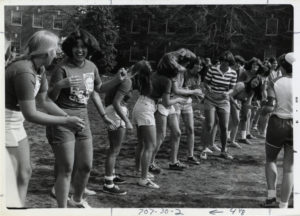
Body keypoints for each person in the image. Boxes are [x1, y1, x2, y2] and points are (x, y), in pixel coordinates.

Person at [5, 30, 84, 208]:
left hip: (16, 123)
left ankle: (16, 207)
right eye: (55, 51)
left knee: (25, 172)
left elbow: (44, 101)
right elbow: (31, 114)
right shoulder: (24, 71)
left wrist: (67, 116)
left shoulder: (39, 69)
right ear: (47, 52)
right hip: (5, 123)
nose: (56, 56)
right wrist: (66, 122)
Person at [46, 29, 124, 208]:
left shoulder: (91, 66)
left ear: (89, 49)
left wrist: (117, 80)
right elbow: (49, 99)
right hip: (63, 120)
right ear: (69, 48)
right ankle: (62, 208)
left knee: (86, 166)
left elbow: (99, 89)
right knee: (66, 168)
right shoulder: (62, 68)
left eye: (83, 47)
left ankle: (77, 200)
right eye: (75, 47)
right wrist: (59, 85)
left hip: (83, 121)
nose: (79, 50)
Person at [149, 48, 197, 173]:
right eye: (187, 62)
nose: (187, 66)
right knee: (161, 135)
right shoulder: (171, 70)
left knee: (177, 132)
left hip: (169, 103)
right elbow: (176, 90)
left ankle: (173, 162)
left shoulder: (175, 68)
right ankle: (150, 162)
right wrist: (193, 92)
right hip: (162, 103)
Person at [262, 53, 294, 208]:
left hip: (277, 124)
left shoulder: (274, 82)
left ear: (282, 66)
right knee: (289, 168)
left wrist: (261, 110)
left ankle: (270, 197)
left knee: (270, 160)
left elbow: (269, 106)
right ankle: (284, 205)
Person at [102, 65, 136, 195]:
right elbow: (116, 102)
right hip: (117, 112)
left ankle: (112, 175)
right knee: (114, 150)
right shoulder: (127, 81)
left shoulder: (121, 79)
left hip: (113, 111)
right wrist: (127, 121)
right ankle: (108, 183)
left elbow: (109, 99)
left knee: (113, 148)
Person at [201, 51, 237, 160]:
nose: (223, 64)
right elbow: (205, 82)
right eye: (222, 61)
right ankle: (204, 149)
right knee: (210, 124)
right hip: (210, 99)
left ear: (230, 62)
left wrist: (228, 92)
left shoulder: (233, 73)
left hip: (223, 100)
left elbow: (232, 88)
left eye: (226, 62)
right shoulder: (212, 69)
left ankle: (224, 151)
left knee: (224, 127)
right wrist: (208, 88)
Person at [228, 75, 263, 148]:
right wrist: (236, 104)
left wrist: (253, 107)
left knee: (239, 119)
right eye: (254, 81)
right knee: (236, 120)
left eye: (257, 84)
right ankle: (231, 140)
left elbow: (247, 104)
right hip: (230, 101)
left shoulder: (252, 92)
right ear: (251, 80)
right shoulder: (241, 85)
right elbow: (230, 96)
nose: (255, 84)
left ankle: (232, 139)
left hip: (238, 103)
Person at [238, 57, 264, 145]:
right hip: (240, 96)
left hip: (250, 97)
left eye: (257, 65)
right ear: (250, 65)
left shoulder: (258, 76)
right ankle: (242, 137)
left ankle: (247, 134)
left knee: (248, 115)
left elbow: (257, 90)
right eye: (253, 64)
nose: (255, 66)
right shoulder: (245, 73)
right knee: (244, 116)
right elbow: (238, 84)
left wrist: (255, 100)